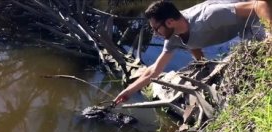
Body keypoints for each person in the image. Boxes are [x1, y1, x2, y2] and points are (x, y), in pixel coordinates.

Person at [113, 0, 271, 105]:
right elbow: (154, 70)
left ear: (169, 22)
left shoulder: (209, 15)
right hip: (242, 32)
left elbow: (259, 5)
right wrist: (128, 91)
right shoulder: (174, 35)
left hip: (256, 20)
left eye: (156, 29)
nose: (155, 33)